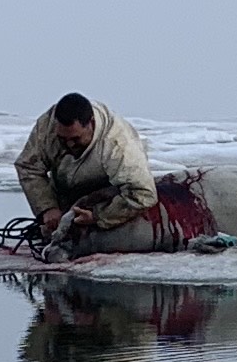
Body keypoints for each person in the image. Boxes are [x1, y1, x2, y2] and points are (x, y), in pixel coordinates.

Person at [12, 92, 163, 253]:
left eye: (76, 139)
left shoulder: (117, 145)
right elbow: (28, 167)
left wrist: (98, 216)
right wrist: (47, 208)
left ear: (91, 123)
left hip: (109, 198)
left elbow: (144, 194)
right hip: (64, 192)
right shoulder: (47, 127)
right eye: (63, 139)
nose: (69, 144)